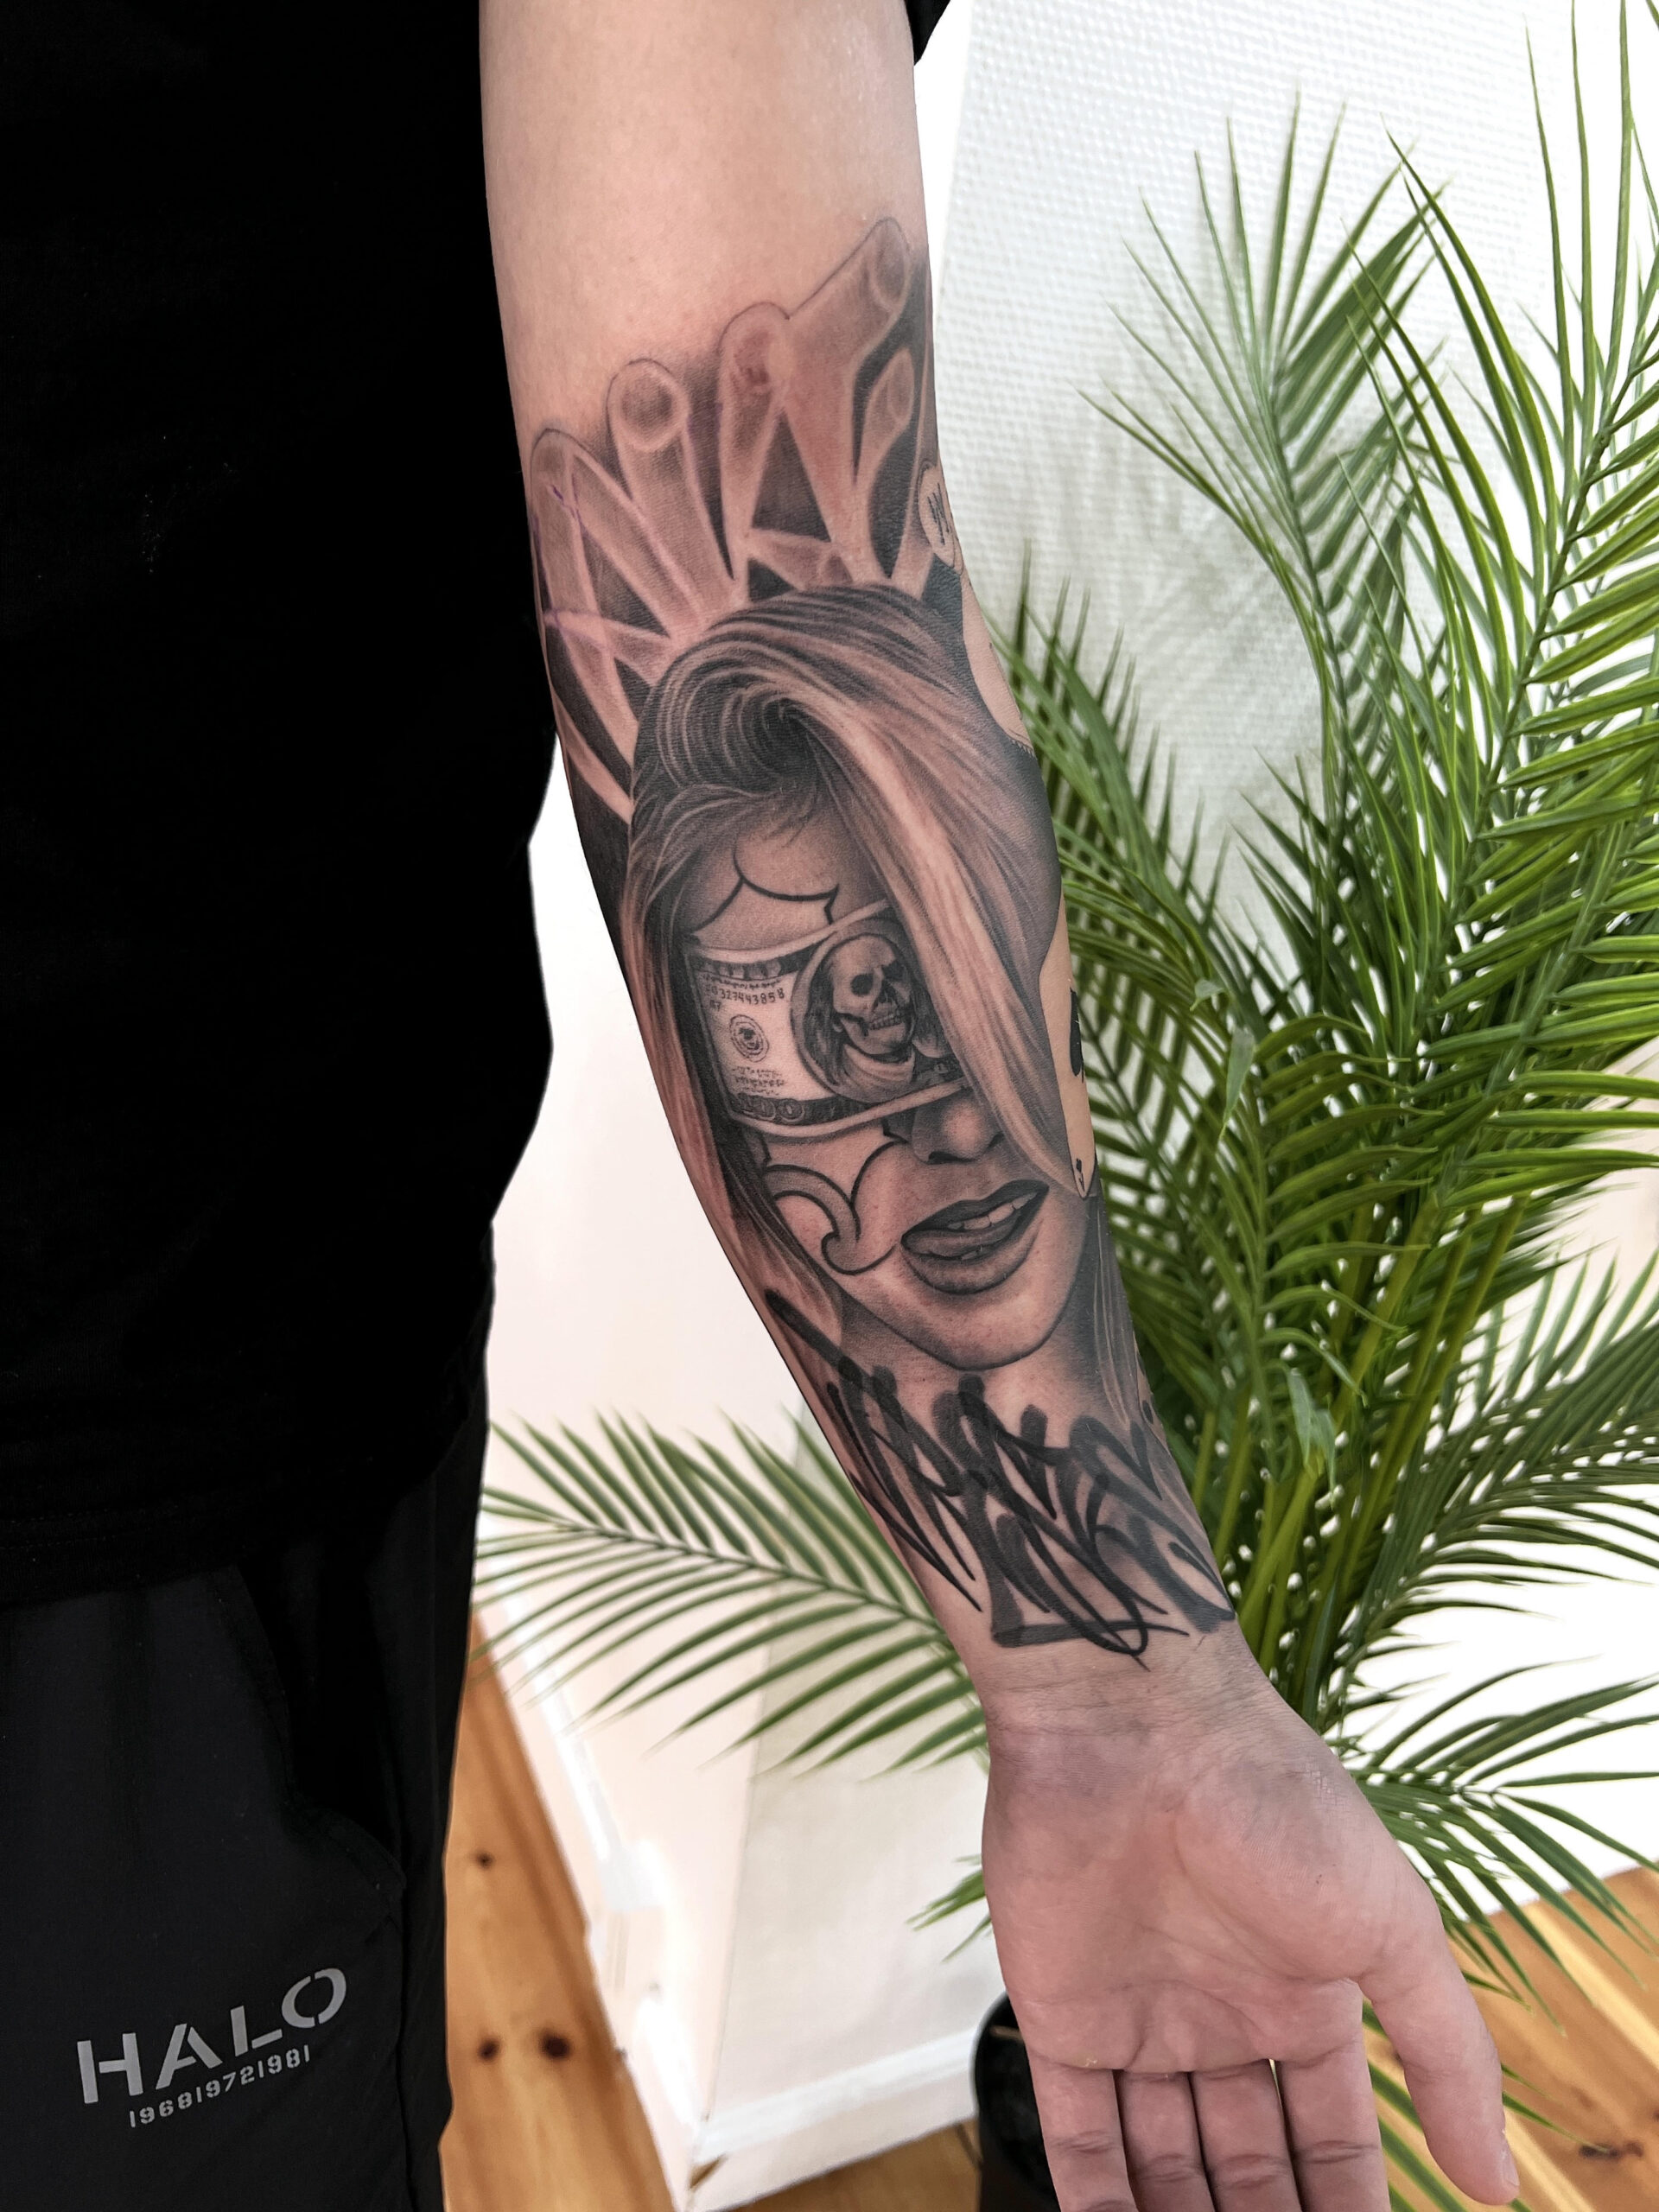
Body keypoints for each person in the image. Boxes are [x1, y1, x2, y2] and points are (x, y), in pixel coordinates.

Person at [0, 3, 1516, 2209]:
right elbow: (757, 597)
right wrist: (1113, 1687)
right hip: (132, 1447)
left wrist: (1103, 1680)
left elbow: (752, 648)